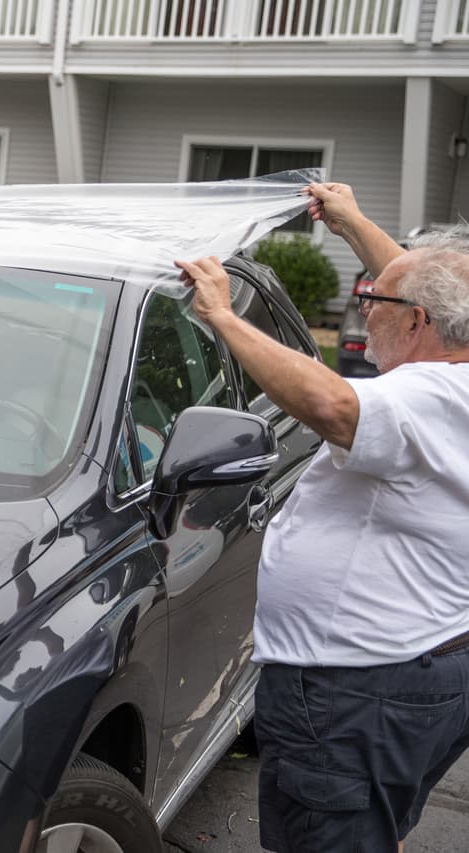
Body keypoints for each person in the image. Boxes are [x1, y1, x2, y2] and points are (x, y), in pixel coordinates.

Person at [174, 182, 469, 853]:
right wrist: (355, 225)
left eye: (374, 303)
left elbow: (335, 407)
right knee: (369, 829)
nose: (363, 309)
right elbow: (432, 292)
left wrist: (222, 315)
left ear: (419, 323)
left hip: (357, 694)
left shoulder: (422, 397)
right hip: (424, 667)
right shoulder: (453, 361)